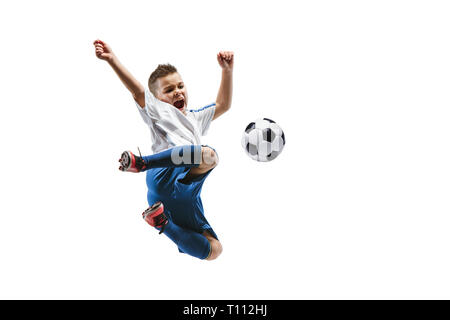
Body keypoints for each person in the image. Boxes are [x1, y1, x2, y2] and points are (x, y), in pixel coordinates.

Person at [93, 39, 233, 261]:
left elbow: (223, 105)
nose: (178, 92)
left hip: (183, 195)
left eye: (180, 86)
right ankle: (142, 162)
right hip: (164, 173)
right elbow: (137, 90)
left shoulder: (195, 118)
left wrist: (227, 71)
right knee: (209, 156)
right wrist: (112, 60)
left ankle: (162, 222)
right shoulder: (160, 111)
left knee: (215, 250)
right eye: (169, 89)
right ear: (157, 99)